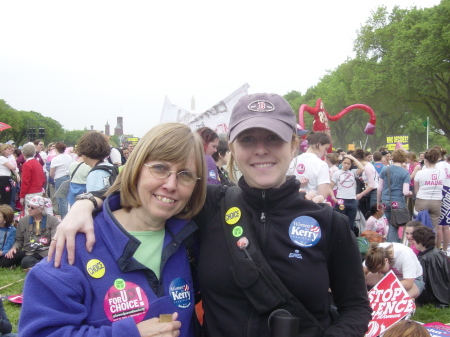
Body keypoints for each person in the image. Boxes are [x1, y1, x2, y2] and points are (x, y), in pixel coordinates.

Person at [49, 93, 372, 337]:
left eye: (273, 138)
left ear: (294, 145)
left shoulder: (328, 222)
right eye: (248, 139)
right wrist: (87, 202)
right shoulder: (208, 205)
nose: (261, 149)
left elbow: (356, 307)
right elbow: (152, 189)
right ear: (231, 146)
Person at [19, 123, 204, 337]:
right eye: (160, 168)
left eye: (185, 174)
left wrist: (89, 200)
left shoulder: (192, 238)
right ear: (136, 168)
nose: (171, 184)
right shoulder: (74, 246)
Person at [6, 196, 59, 270]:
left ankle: (39, 267)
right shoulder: (23, 221)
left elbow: (55, 240)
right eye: (28, 206)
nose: (29, 209)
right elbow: (19, 240)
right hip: (30, 253)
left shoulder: (53, 221)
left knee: (55, 259)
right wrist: (14, 247)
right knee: (25, 262)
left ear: (41, 209)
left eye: (32, 208)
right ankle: (43, 267)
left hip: (47, 252)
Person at [377, 149, 412, 243]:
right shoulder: (405, 173)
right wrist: (410, 193)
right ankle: (393, 248)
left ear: (393, 158)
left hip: (385, 200)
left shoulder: (385, 169)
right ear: (404, 159)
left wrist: (378, 202)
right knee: (394, 227)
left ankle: (388, 245)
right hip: (397, 202)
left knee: (390, 224)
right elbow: (405, 192)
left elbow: (379, 188)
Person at [412, 226, 450, 308]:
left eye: (414, 241)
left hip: (434, 296)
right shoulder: (439, 253)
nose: (413, 244)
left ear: (420, 242)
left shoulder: (425, 259)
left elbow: (424, 282)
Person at [287, 131, 331, 198]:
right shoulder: (322, 165)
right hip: (312, 206)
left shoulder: (293, 161)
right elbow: (323, 195)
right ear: (318, 144)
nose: (326, 153)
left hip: (292, 203)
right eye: (326, 149)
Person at [414, 148, 444, 244]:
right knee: (433, 228)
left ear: (425, 160)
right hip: (437, 201)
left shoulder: (420, 173)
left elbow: (416, 189)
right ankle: (431, 249)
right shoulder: (442, 173)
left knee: (419, 226)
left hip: (422, 199)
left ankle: (419, 247)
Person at [330, 154, 364, 230]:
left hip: (352, 200)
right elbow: (330, 187)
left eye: (348, 163)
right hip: (341, 200)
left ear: (351, 164)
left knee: (350, 224)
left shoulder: (353, 172)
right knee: (340, 223)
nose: (346, 165)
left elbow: (362, 168)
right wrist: (333, 198)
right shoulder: (336, 173)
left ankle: (349, 240)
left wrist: (352, 158)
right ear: (342, 163)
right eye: (345, 163)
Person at [19, 143, 46, 214]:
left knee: (29, 214)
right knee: (37, 214)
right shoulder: (38, 163)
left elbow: (25, 182)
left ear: (23, 153)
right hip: (39, 191)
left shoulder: (27, 165)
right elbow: (43, 179)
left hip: (30, 192)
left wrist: (22, 196)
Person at [50, 142, 73, 219]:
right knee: (67, 198)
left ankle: (64, 218)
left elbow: (51, 173)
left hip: (59, 178)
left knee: (61, 199)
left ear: (56, 149)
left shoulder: (55, 159)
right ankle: (69, 215)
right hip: (68, 177)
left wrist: (53, 178)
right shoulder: (69, 157)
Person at [353, 148, 379, 215]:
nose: (353, 164)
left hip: (374, 191)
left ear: (357, 160)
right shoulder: (367, 165)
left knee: (373, 213)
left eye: (353, 161)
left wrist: (361, 194)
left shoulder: (367, 167)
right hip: (370, 191)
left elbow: (372, 185)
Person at [0, 204, 24, 269]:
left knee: (20, 253)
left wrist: (2, 252)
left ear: (5, 219)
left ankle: (7, 264)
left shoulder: (12, 230)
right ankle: (9, 265)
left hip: (3, 254)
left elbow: (8, 248)